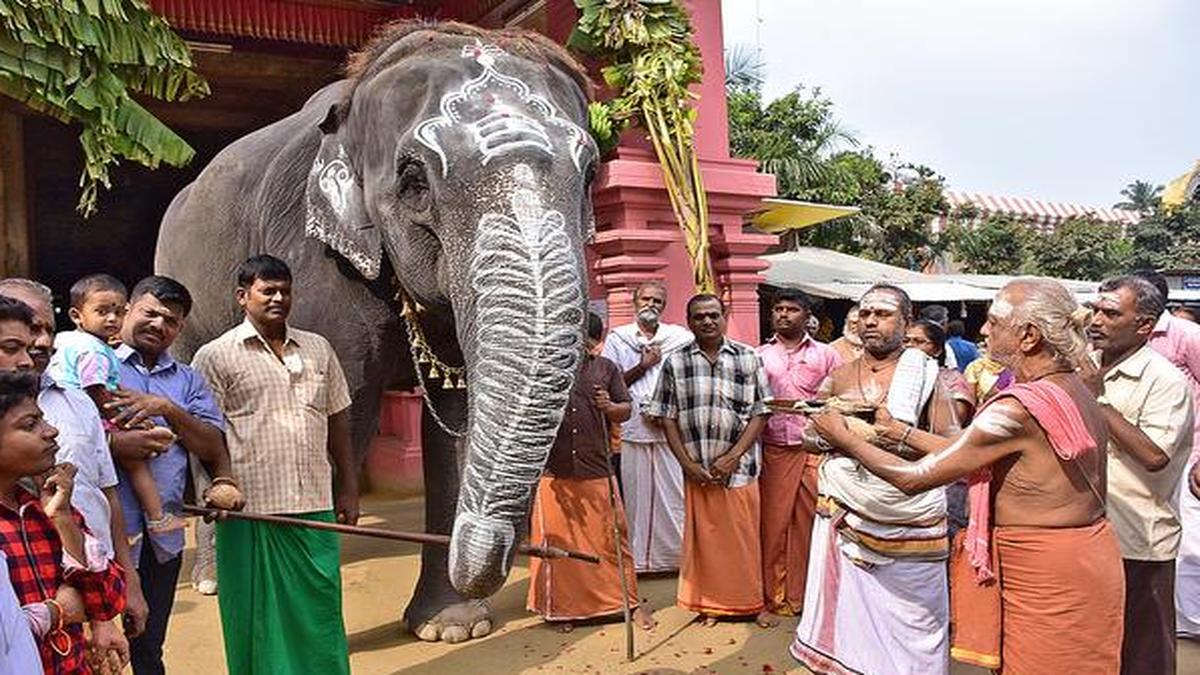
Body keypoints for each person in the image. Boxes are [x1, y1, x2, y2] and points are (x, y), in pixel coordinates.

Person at [810, 278, 1124, 675]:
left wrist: (842, 436)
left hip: (1042, 568)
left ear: (1029, 336)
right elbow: (969, 451)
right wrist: (899, 432)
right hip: (1086, 553)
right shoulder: (1073, 387)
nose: (984, 330)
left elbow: (913, 478)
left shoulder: (1015, 409)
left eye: (994, 321)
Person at [192, 254, 358, 675]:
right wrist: (216, 488)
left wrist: (349, 486)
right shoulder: (216, 355)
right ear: (242, 296)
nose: (278, 298)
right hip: (250, 510)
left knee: (320, 611)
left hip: (314, 503)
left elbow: (338, 419)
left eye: (285, 291)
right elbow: (204, 433)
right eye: (267, 291)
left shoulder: (318, 347)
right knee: (254, 615)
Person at [790, 284, 959, 675]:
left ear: (906, 321)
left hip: (907, 514)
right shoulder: (839, 375)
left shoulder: (927, 374)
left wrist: (882, 435)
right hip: (846, 508)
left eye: (882, 314)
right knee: (849, 610)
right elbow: (809, 436)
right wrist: (832, 434)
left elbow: (952, 448)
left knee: (914, 617)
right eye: (865, 313)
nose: (870, 321)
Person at [106, 275, 245, 675]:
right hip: (101, 533)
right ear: (128, 310)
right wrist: (116, 445)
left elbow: (212, 447)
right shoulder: (95, 363)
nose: (158, 324)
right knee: (91, 643)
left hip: (161, 537)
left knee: (149, 647)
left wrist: (166, 408)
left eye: (170, 320)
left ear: (180, 328)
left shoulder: (187, 380)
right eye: (150, 313)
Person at [0, 281, 143, 658]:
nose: (39, 345)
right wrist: (51, 613)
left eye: (46, 329)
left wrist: (104, 612)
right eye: (15, 343)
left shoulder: (76, 403)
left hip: (74, 643)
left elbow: (105, 496)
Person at [647, 294, 772, 627]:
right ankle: (712, 605)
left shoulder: (748, 357)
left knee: (744, 539)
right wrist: (687, 464)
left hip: (741, 468)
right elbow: (666, 416)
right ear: (689, 322)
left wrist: (733, 456)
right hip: (697, 468)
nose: (707, 321)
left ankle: (751, 603)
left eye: (713, 315)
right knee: (707, 543)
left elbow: (761, 412)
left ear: (724, 316)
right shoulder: (675, 362)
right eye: (699, 316)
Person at [1089, 275, 1193, 674]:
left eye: (1111, 313)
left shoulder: (1164, 380)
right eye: (1095, 310)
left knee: (1144, 654)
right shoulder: (1085, 366)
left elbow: (1153, 455)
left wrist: (1098, 402)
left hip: (1139, 540)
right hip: (1088, 533)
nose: (1096, 320)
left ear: (1145, 325)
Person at [526, 313, 653, 632]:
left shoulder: (606, 369)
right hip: (554, 474)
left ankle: (628, 603)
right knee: (557, 546)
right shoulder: (541, 370)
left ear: (591, 340)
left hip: (597, 468)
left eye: (581, 334)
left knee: (612, 539)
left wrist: (609, 407)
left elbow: (626, 410)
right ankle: (563, 609)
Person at [0, 369, 128, 674]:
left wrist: (63, 520)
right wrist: (53, 613)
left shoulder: (45, 508)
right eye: (30, 424)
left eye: (43, 420)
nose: (51, 431)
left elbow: (108, 601)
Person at [45, 275, 179, 536]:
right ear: (76, 315)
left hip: (67, 418)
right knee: (136, 461)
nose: (111, 319)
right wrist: (126, 420)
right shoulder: (94, 350)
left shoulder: (65, 339)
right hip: (87, 418)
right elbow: (97, 391)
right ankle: (157, 517)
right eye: (102, 312)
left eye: (118, 312)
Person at [756, 289, 841, 619]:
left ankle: (806, 596)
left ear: (808, 316)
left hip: (813, 449)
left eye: (792, 309)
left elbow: (840, 399)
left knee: (810, 523)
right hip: (775, 448)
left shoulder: (827, 355)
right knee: (773, 523)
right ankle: (772, 594)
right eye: (778, 308)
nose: (783, 314)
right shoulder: (759, 355)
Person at [600, 281, 693, 573]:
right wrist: (644, 365)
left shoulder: (680, 339)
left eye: (657, 301)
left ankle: (675, 559)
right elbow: (610, 385)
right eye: (646, 299)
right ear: (635, 302)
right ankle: (639, 561)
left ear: (664, 307)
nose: (651, 305)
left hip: (670, 430)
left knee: (674, 495)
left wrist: (668, 408)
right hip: (634, 430)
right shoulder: (619, 339)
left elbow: (690, 380)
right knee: (637, 496)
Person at [1132, 268, 1200, 639]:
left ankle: (1188, 626)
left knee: (1189, 542)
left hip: (1185, 456)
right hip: (1134, 458)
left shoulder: (1186, 335)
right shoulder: (1122, 339)